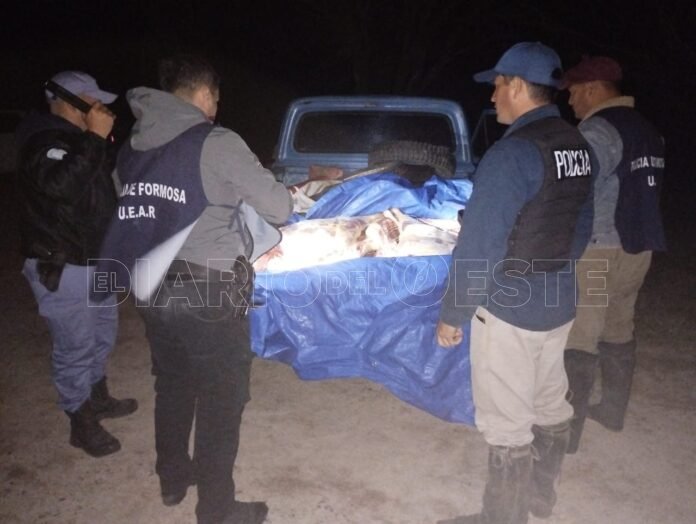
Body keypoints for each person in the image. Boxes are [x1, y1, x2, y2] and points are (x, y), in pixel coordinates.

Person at [95, 54, 292, 524]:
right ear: (204, 94)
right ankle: (217, 510)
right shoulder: (215, 141)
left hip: (150, 285)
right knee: (221, 399)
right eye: (216, 100)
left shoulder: (133, 148)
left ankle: (172, 478)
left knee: (174, 384)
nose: (217, 109)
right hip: (207, 290)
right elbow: (280, 208)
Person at [436, 42, 595, 524]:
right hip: (558, 300)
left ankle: (502, 517)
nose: (493, 97)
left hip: (509, 310)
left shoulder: (511, 155)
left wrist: (453, 313)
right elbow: (581, 229)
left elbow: (479, 245)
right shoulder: (577, 146)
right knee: (549, 401)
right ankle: (539, 499)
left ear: (519, 86)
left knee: (506, 422)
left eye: (499, 85)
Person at [15, 71, 138, 458]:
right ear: (67, 101)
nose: (100, 107)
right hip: (64, 264)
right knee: (75, 347)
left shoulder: (78, 141)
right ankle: (79, 422)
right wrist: (95, 138)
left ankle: (97, 397)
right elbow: (61, 187)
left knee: (102, 335)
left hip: (97, 261)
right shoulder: (43, 140)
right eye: (91, 99)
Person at [561, 56, 666, 453]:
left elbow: (574, 188)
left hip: (598, 250)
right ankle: (612, 411)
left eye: (574, 92)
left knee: (580, 336)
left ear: (592, 89)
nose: (570, 101)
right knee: (620, 327)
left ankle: (566, 435)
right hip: (639, 246)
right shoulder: (649, 130)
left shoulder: (596, 131)